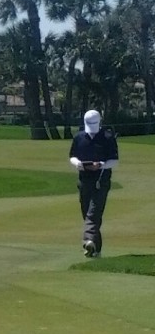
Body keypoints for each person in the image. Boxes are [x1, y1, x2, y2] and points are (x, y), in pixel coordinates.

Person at [68, 109, 119, 258]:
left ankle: (88, 240)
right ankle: (95, 249)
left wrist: (101, 165)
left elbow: (114, 160)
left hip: (101, 181)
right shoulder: (79, 137)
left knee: (93, 213)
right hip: (84, 180)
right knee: (87, 214)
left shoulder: (107, 137)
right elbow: (72, 156)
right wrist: (78, 164)